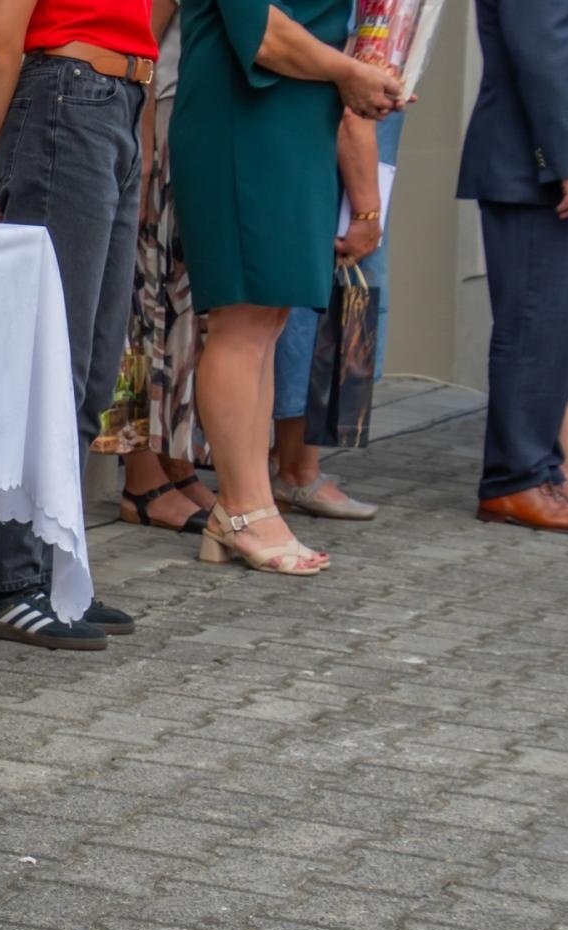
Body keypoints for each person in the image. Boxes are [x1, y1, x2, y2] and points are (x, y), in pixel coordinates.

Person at [169, 0, 401, 575]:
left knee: (267, 321)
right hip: (242, 119)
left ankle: (251, 504)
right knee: (241, 322)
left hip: (293, 120)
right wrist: (350, 72)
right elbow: (263, 35)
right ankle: (242, 509)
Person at [0, 0, 156, 650]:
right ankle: (9, 583)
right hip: (66, 103)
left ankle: (56, 579)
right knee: (48, 361)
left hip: (118, 103)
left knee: (95, 370)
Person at [458, 0, 568, 532]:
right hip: (530, 169)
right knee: (532, 327)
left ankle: (540, 472)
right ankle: (515, 481)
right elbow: (541, 50)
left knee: (551, 332)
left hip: (538, 170)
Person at [269, 110, 399, 521]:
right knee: (322, 298)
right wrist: (366, 211)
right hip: (335, 151)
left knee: (337, 294)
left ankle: (292, 462)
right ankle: (296, 467)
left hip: (355, 151)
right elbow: (350, 109)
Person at [118, 0, 216, 536]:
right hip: (162, 118)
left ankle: (177, 464)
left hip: (188, 117)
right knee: (146, 304)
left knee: (181, 309)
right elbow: (144, 40)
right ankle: (142, 474)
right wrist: (147, 143)